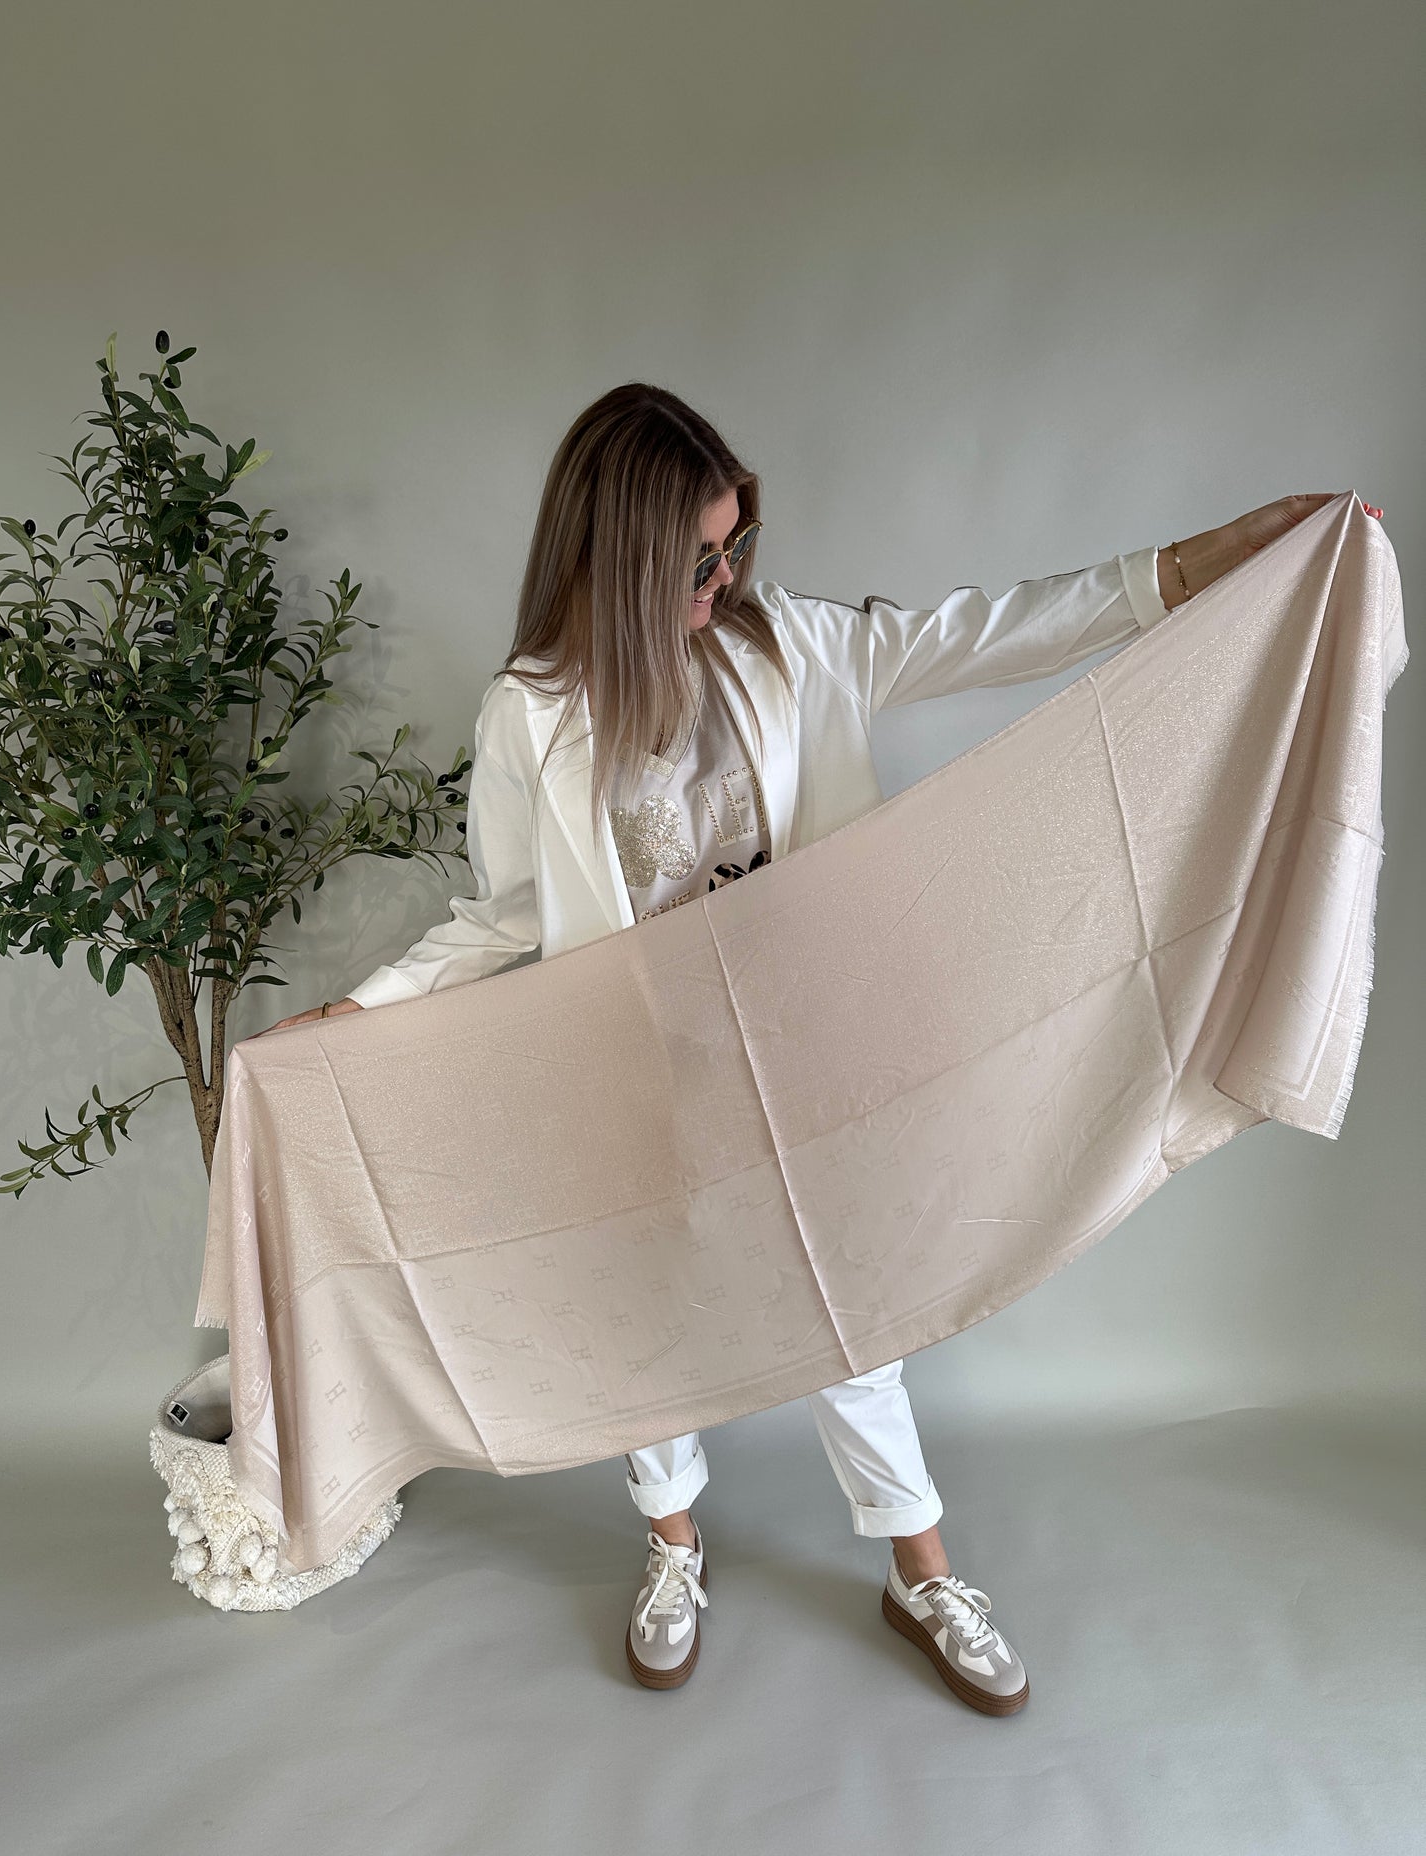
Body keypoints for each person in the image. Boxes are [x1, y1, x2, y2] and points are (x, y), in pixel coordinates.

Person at [264, 384, 1377, 1711]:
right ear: (618, 555)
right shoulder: (533, 713)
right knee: (640, 1314)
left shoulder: (791, 646)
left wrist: (1210, 561)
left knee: (851, 1316)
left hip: (805, 1053)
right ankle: (673, 1547)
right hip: (631, 1068)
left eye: (735, 546)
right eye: (697, 561)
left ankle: (921, 1572)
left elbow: (992, 628)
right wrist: (363, 1010)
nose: (726, 580)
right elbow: (505, 913)